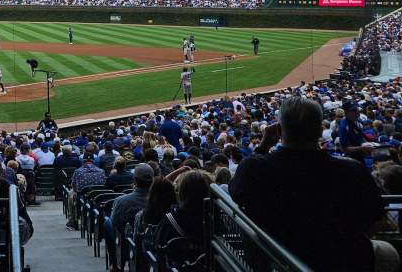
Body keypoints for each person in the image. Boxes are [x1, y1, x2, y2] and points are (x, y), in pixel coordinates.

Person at [230, 96, 389, 272]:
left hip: (277, 262)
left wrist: (263, 145)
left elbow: (236, 191)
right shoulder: (353, 170)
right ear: (320, 131)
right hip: (345, 262)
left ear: (279, 130)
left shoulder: (255, 168)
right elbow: (377, 221)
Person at [105, 163, 153, 270]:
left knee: (107, 222)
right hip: (154, 246)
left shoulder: (121, 201)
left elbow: (115, 225)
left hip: (127, 246)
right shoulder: (161, 201)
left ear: (135, 180)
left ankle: (116, 263)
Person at [154, 170, 209, 252]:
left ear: (182, 192)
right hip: (207, 263)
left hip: (174, 263)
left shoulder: (170, 219)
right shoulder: (213, 218)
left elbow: (157, 245)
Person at [66, 152, 106, 230]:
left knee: (71, 194)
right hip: (98, 197)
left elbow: (73, 186)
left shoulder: (77, 171)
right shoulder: (101, 171)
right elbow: (104, 185)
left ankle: (73, 221)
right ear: (93, 161)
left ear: (83, 161)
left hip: (83, 198)